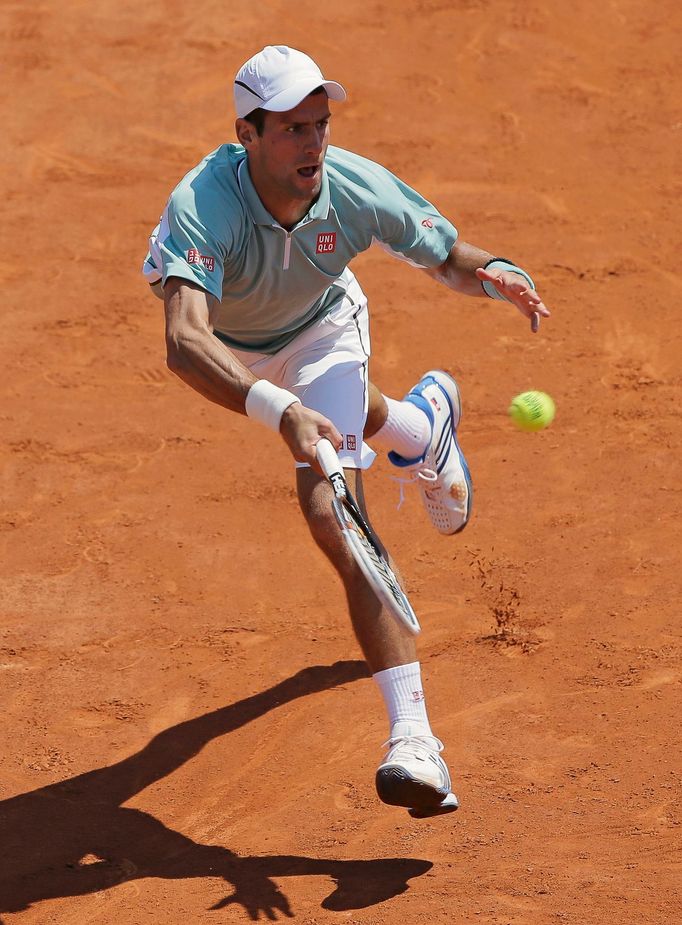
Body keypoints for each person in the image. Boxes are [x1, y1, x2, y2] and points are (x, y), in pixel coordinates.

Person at [143, 45, 550, 818]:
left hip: (326, 326)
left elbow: (446, 255)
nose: (314, 143)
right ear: (248, 134)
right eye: (293, 128)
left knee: (334, 513)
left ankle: (415, 742)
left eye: (320, 124)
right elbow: (186, 342)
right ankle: (421, 427)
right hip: (243, 348)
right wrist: (277, 406)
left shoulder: (352, 185)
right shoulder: (203, 203)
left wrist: (495, 270)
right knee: (330, 421)